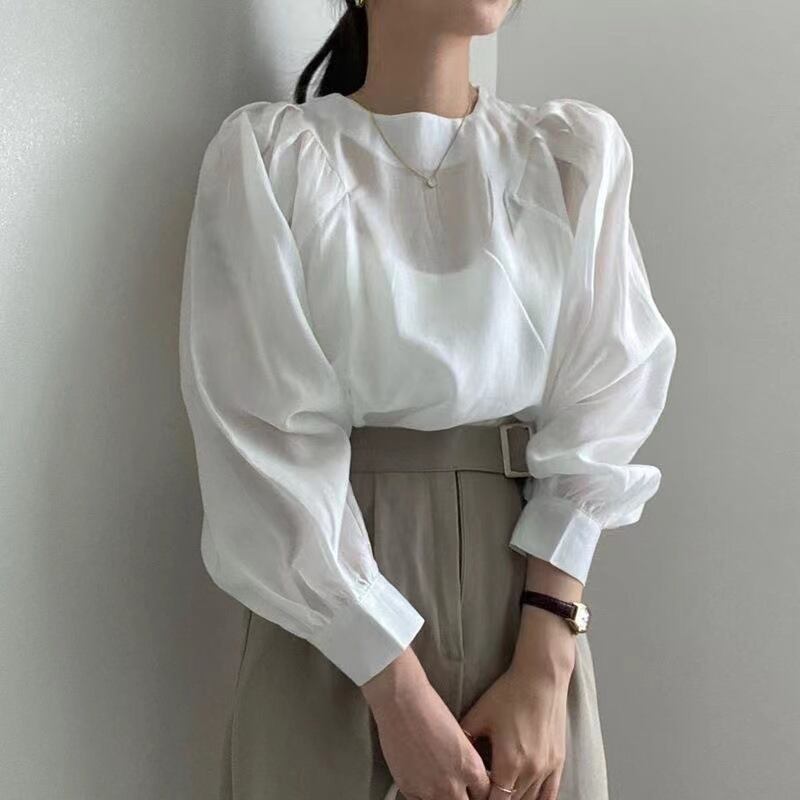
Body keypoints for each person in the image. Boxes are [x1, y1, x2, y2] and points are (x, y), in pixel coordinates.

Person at [178, 1, 677, 798]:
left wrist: (546, 660)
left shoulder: (570, 157)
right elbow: (260, 442)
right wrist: (395, 691)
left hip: (527, 600)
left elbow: (604, 408)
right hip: (332, 609)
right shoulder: (272, 158)